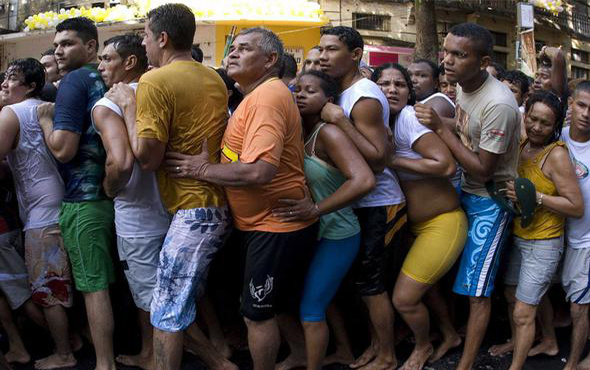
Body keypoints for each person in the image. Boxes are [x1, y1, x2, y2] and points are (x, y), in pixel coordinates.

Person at [161, 27, 319, 370]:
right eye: (233, 47)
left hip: (275, 225)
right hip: (259, 222)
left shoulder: (267, 98)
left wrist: (199, 170)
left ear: (270, 60)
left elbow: (259, 171)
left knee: (256, 313)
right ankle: (301, 355)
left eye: (244, 49)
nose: (232, 53)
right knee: (270, 304)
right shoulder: (258, 96)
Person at [105, 5, 235, 370]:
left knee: (165, 311)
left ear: (162, 38)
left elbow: (146, 158)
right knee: (174, 304)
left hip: (195, 210)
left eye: (146, 36)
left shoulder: (154, 81)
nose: (144, 44)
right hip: (212, 204)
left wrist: (129, 106)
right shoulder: (212, 76)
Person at [415, 22, 521, 370]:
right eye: (446, 51)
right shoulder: (463, 86)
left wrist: (439, 128)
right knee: (437, 271)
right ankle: (449, 335)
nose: (447, 61)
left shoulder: (499, 105)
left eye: (459, 55)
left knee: (477, 291)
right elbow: (463, 135)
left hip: (490, 201)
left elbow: (483, 169)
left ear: (483, 60)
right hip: (463, 191)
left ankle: (466, 364)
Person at [271, 69, 375, 370]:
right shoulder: (299, 132)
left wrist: (316, 209)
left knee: (311, 308)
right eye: (297, 89)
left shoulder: (328, 133)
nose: (300, 95)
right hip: (313, 233)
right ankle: (341, 351)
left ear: (329, 100)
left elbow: (363, 180)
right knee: (321, 299)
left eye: (310, 91)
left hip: (338, 234)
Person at [318, 26, 406, 370]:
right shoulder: (341, 91)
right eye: (321, 49)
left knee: (372, 284)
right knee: (363, 284)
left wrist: (339, 120)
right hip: (358, 202)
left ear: (355, 55)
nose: (324, 56)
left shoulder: (363, 96)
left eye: (332, 50)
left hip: (379, 204)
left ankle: (387, 356)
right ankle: (373, 347)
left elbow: (376, 156)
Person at [374, 62, 467, 369]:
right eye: (385, 84)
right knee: (427, 291)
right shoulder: (382, 121)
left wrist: (394, 160)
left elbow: (445, 166)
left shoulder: (410, 118)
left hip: (443, 223)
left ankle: (423, 347)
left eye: (400, 84)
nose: (392, 89)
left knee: (405, 299)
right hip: (414, 226)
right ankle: (450, 335)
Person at [37, 17, 117, 370]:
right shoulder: (101, 78)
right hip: (108, 196)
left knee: (93, 287)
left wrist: (44, 120)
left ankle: (103, 364)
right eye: (57, 44)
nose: (59, 49)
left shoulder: (73, 81)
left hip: (84, 200)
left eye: (68, 43)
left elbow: (64, 149)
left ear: (90, 47)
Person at [92, 34, 171, 370]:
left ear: (130, 62)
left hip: (137, 218)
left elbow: (121, 163)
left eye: (107, 58)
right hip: (172, 210)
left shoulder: (109, 104)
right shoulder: (160, 96)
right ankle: (150, 354)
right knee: (154, 296)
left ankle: (215, 359)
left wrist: (109, 189)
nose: (100, 65)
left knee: (155, 301)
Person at [0, 58, 76, 370]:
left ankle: (65, 353)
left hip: (41, 213)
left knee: (49, 285)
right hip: (57, 201)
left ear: (30, 85)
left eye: (13, 79)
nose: (5, 84)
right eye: (4, 77)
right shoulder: (43, 107)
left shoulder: (11, 112)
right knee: (55, 282)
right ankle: (71, 343)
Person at [501, 91, 583, 370]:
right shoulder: (524, 143)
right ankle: (548, 340)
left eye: (545, 123)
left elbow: (575, 206)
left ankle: (516, 366)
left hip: (544, 243)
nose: (537, 127)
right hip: (519, 236)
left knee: (524, 311)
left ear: (556, 126)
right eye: (532, 119)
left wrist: (537, 197)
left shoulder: (557, 155)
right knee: (515, 295)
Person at [560, 80, 590, 370]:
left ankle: (572, 364)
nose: (586, 113)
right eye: (581, 105)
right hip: (558, 237)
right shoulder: (557, 136)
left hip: (587, 241)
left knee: (579, 306)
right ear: (571, 104)